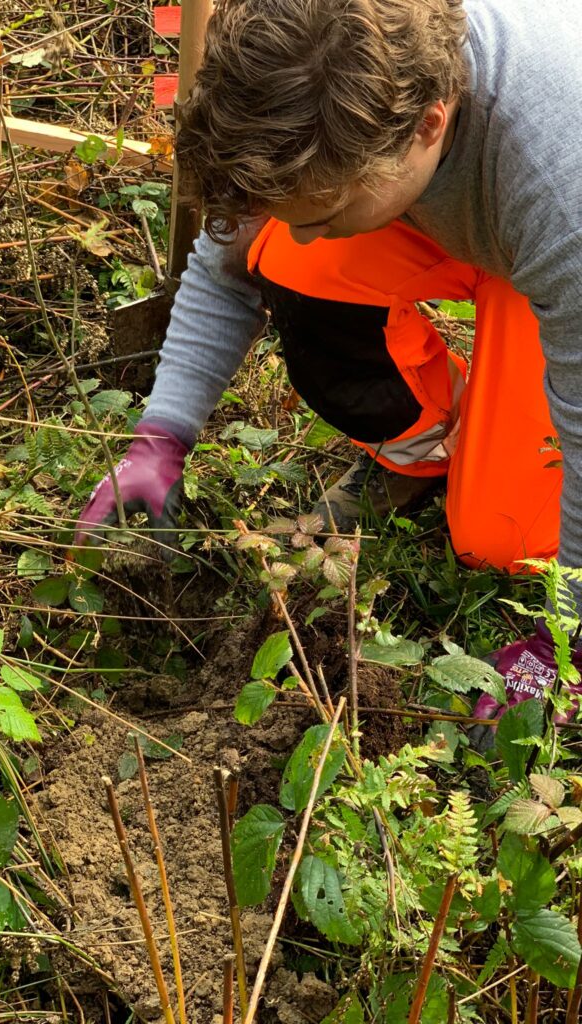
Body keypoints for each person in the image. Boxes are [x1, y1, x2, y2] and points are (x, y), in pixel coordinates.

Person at [76, 0, 582, 732]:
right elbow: (228, 266)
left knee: (497, 539)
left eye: (324, 214)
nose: (308, 236)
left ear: (429, 124)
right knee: (285, 261)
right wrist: (161, 436)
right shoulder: (315, 89)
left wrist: (563, 642)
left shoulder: (557, 181)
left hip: (546, 244)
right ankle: (422, 456)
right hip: (462, 207)